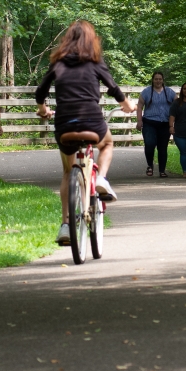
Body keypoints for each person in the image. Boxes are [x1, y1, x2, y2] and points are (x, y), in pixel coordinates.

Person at [35, 20, 136, 245]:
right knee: (107, 144)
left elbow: (40, 91)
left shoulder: (57, 62)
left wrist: (43, 110)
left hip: (64, 122)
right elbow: (114, 88)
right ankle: (101, 179)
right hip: (92, 120)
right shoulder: (95, 61)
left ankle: (65, 225)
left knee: (67, 171)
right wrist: (127, 105)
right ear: (92, 40)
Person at [136, 70, 176, 178]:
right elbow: (139, 106)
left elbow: (177, 105)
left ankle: (162, 170)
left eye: (160, 79)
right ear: (153, 80)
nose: (158, 81)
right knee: (149, 144)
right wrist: (139, 121)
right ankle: (150, 165)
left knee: (162, 147)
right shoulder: (146, 92)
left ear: (163, 80)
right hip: (149, 122)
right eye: (156, 79)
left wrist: (174, 122)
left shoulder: (170, 92)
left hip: (165, 123)